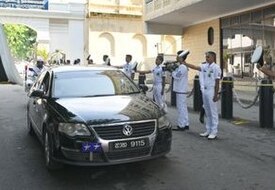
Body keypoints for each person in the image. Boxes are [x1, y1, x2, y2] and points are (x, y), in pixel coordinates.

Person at [184, 51, 221, 139]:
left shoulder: (216, 67)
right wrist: (185, 63)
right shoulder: (204, 66)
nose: (206, 58)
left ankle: (214, 131)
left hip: (212, 90)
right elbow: (195, 67)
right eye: (206, 57)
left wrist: (216, 95)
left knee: (213, 112)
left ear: (213, 58)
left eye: (208, 57)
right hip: (205, 91)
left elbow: (217, 82)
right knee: (207, 111)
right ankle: (208, 130)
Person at [172, 50, 190, 131]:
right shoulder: (181, 66)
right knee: (183, 108)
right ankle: (185, 123)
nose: (176, 57)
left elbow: (177, 76)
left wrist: (172, 71)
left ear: (181, 58)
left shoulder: (182, 67)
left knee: (181, 108)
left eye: (178, 56)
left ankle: (181, 125)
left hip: (181, 90)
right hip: (181, 90)